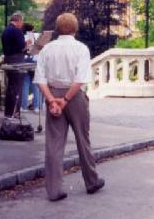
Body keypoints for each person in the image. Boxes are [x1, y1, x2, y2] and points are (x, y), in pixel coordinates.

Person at [33, 13, 104, 202]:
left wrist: (51, 101)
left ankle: (54, 189)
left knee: (54, 144)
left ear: (57, 28)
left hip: (53, 94)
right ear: (75, 28)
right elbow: (80, 78)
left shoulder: (47, 49)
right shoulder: (81, 49)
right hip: (74, 97)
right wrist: (64, 99)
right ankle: (91, 181)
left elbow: (40, 79)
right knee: (83, 139)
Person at [1, 12, 28, 117]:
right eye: (22, 21)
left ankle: (8, 112)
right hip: (17, 60)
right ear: (18, 21)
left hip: (8, 60)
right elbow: (21, 47)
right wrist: (27, 44)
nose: (22, 24)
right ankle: (15, 112)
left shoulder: (6, 30)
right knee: (17, 87)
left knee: (10, 87)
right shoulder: (17, 31)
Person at [21, 23, 42, 113]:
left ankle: (24, 106)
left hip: (25, 61)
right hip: (35, 61)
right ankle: (37, 107)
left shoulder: (22, 37)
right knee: (36, 85)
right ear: (30, 30)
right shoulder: (37, 36)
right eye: (33, 29)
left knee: (25, 84)